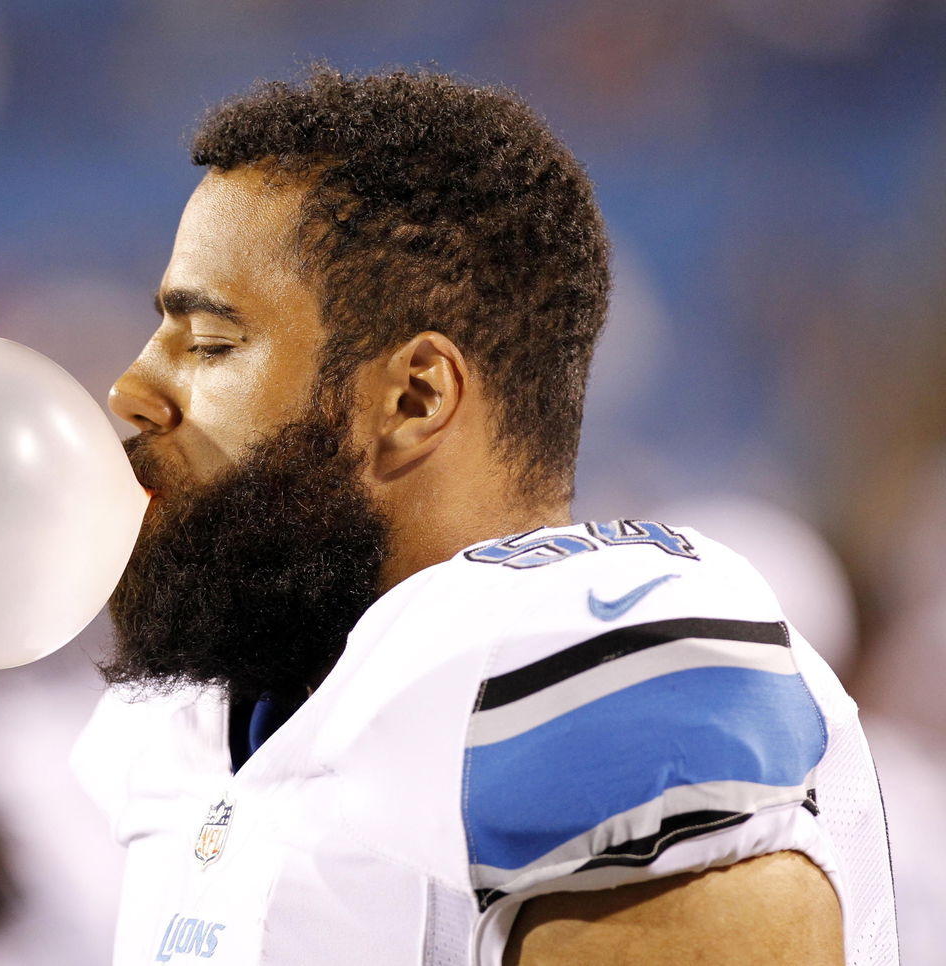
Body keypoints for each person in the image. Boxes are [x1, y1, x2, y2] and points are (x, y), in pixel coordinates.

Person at [73, 65, 897, 965]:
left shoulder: (579, 667)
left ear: (416, 399)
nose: (131, 389)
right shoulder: (189, 719)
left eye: (211, 342)